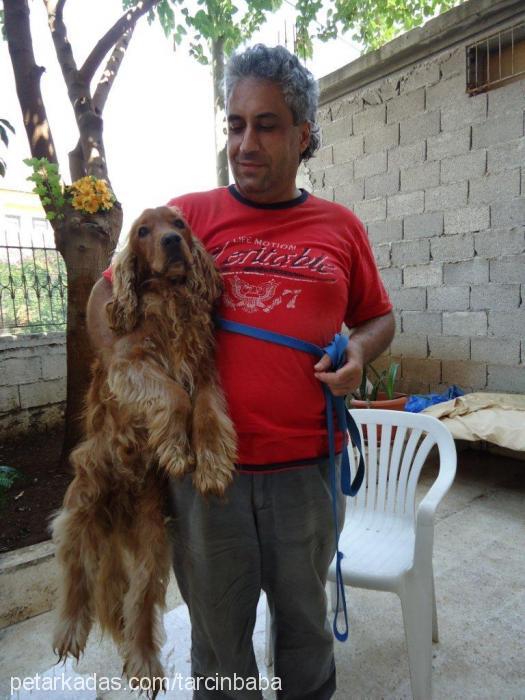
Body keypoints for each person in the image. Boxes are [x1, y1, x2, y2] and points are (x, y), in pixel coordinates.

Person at [88, 44, 395, 700]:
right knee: (219, 644)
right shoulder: (185, 218)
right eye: (234, 124)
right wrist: (137, 383)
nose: (245, 142)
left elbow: (377, 317)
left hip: (305, 474)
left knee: (305, 631)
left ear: (303, 134)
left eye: (266, 124)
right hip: (205, 481)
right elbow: (103, 301)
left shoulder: (339, 227)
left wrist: (361, 353)